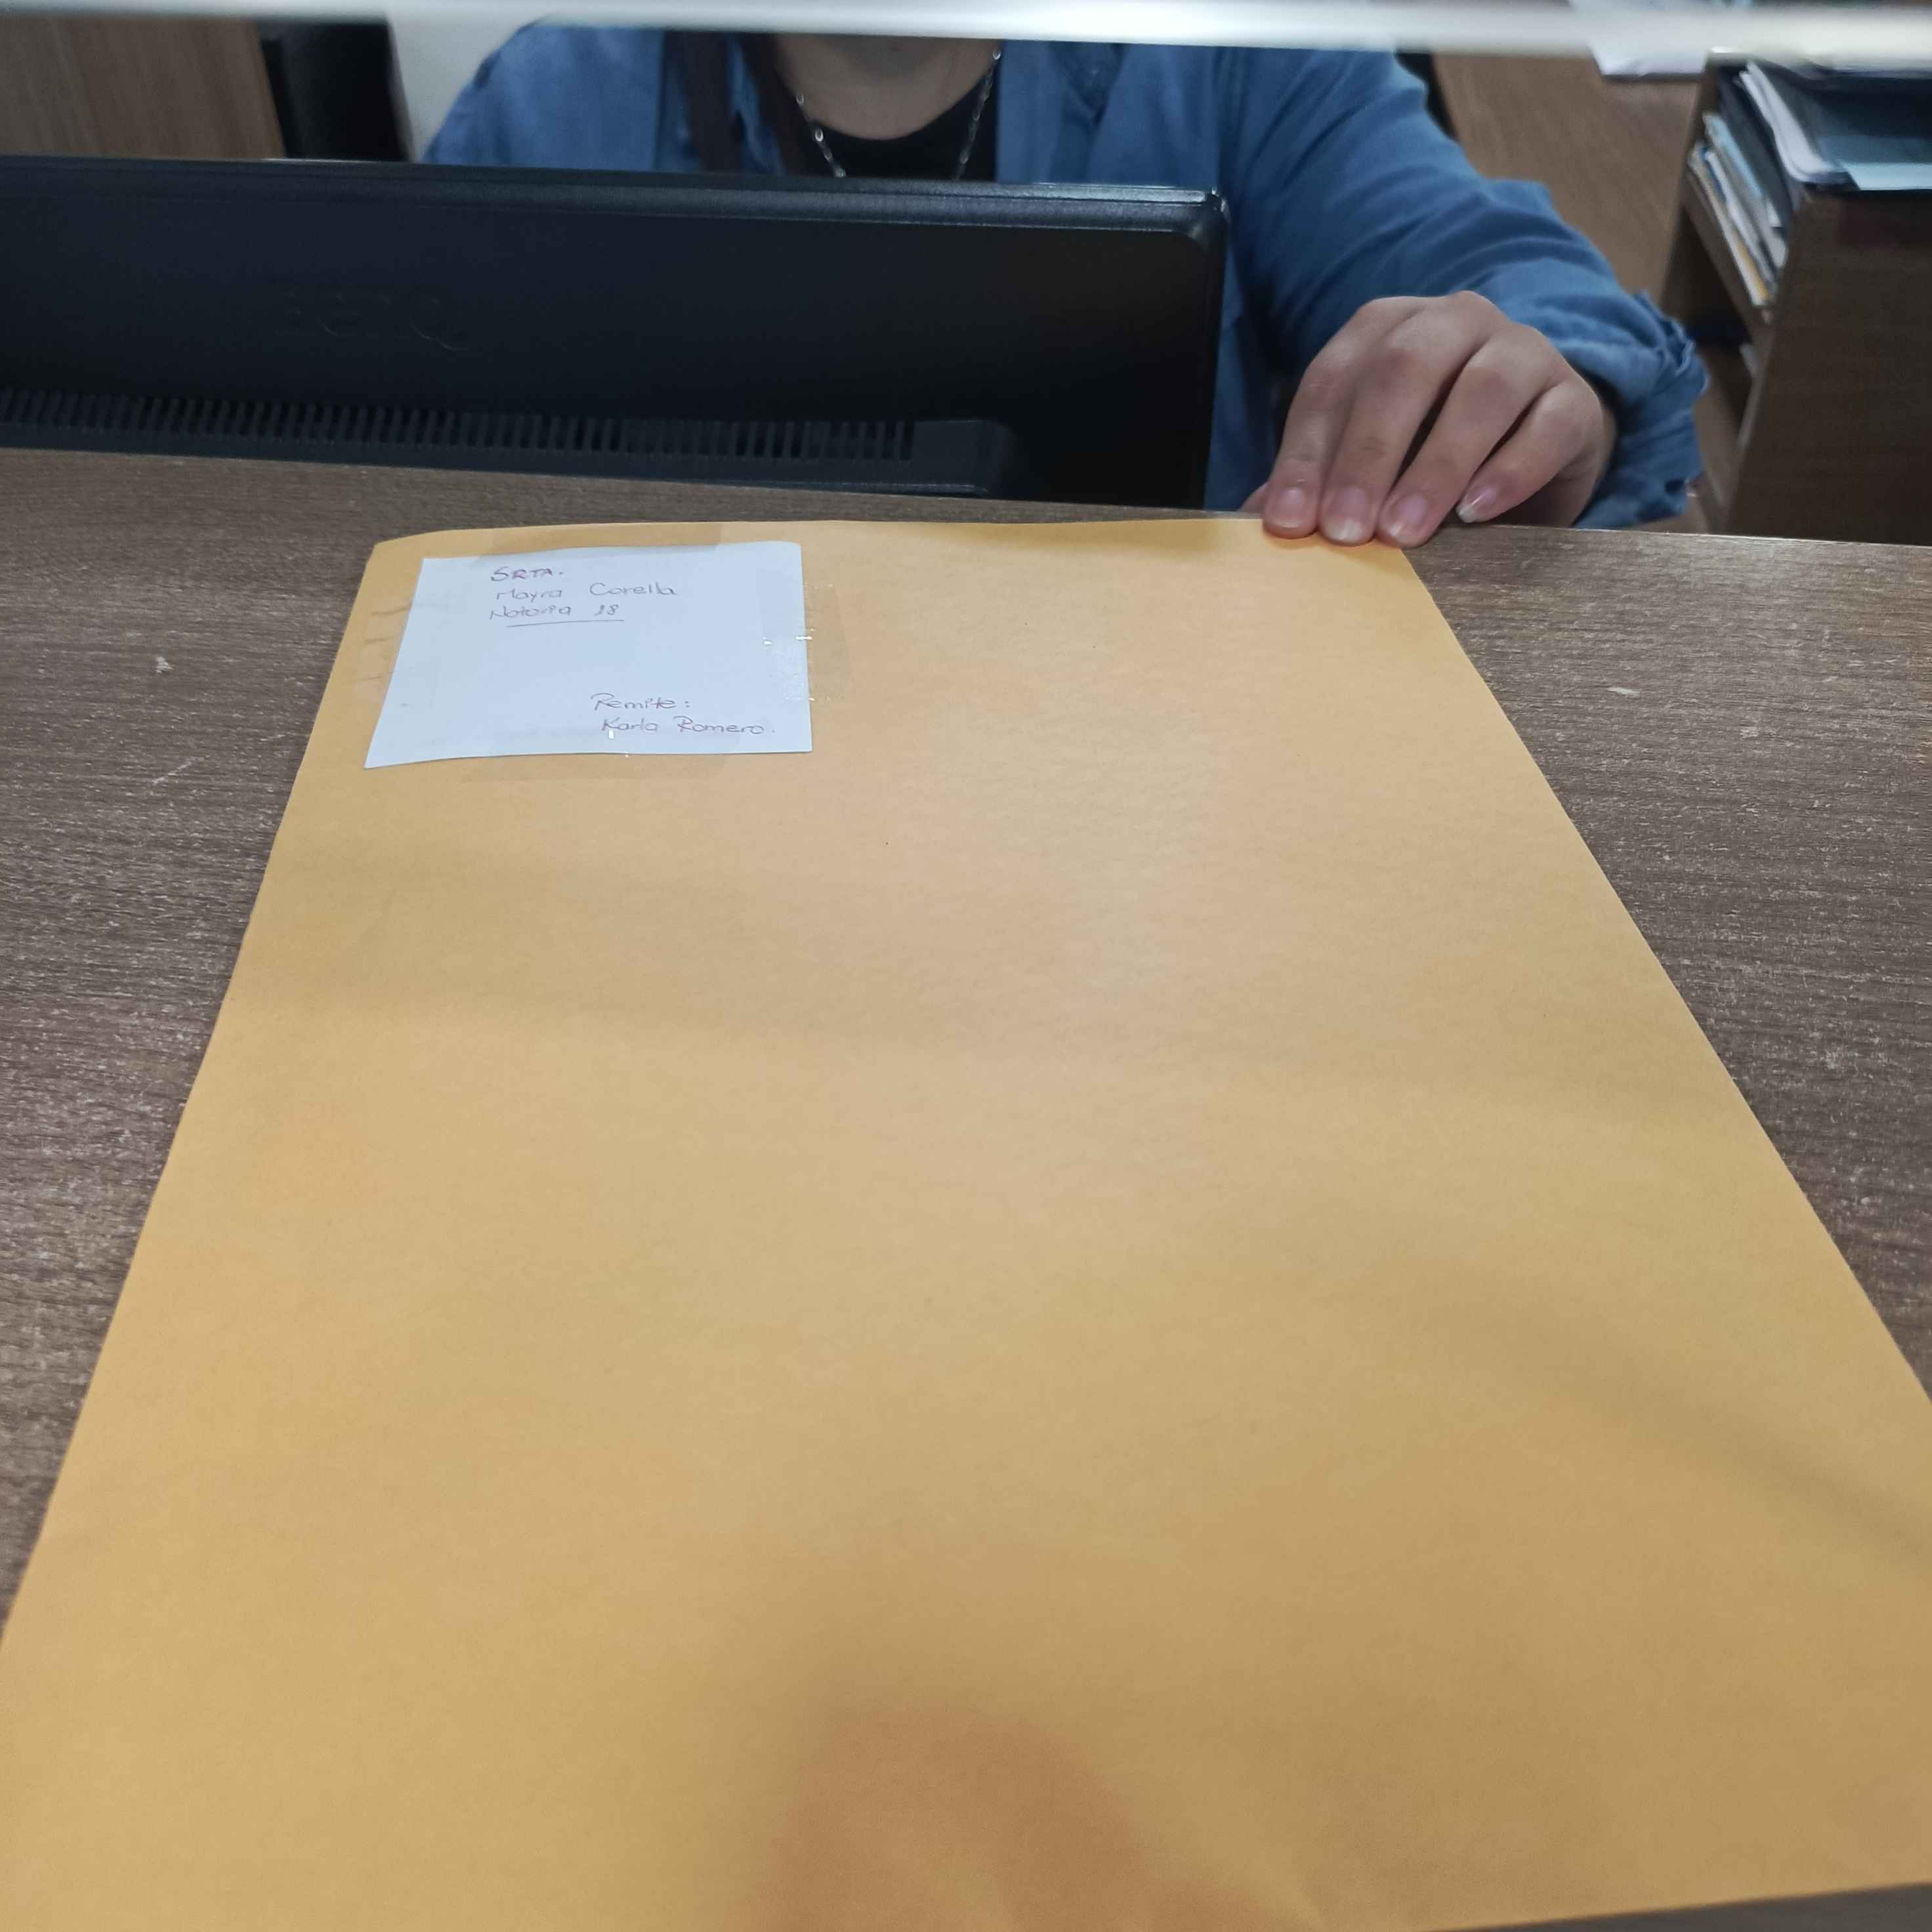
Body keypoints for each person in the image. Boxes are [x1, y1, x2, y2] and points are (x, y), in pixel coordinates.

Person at [427, 30, 1704, 545]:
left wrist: (1541, 392)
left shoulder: (1236, 56)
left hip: (1148, 774)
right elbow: (393, 448)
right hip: (665, 780)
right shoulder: (551, 96)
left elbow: (1508, 277)